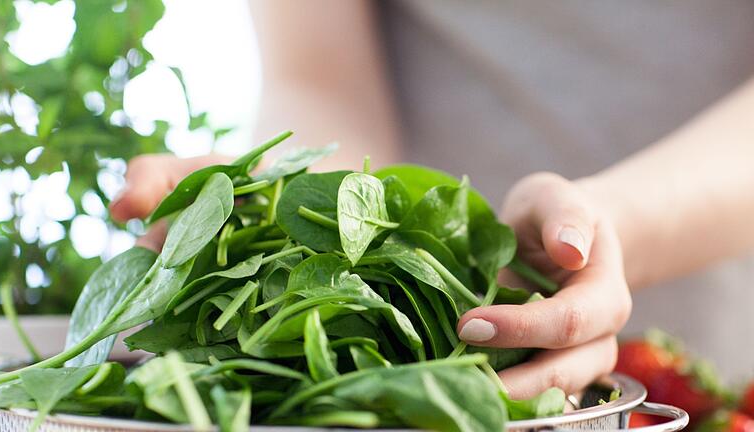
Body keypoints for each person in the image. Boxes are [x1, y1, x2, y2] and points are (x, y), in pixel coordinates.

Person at [109, 1, 754, 398]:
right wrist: (292, 202)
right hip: (409, 350)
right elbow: (318, 75)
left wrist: (601, 230)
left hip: (707, 341)